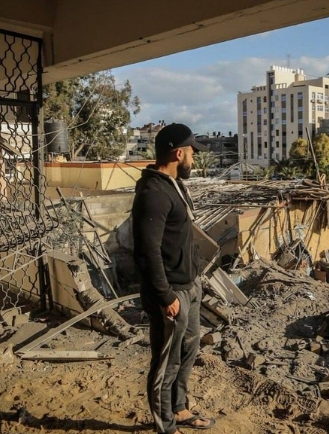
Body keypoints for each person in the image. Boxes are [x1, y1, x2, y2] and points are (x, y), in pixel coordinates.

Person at [131, 123, 215, 434]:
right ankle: (165, 426)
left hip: (189, 285)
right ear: (178, 154)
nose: (193, 159)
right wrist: (165, 296)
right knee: (166, 361)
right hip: (171, 293)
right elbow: (147, 252)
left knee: (187, 351)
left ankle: (179, 409)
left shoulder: (174, 184)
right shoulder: (153, 193)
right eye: (192, 153)